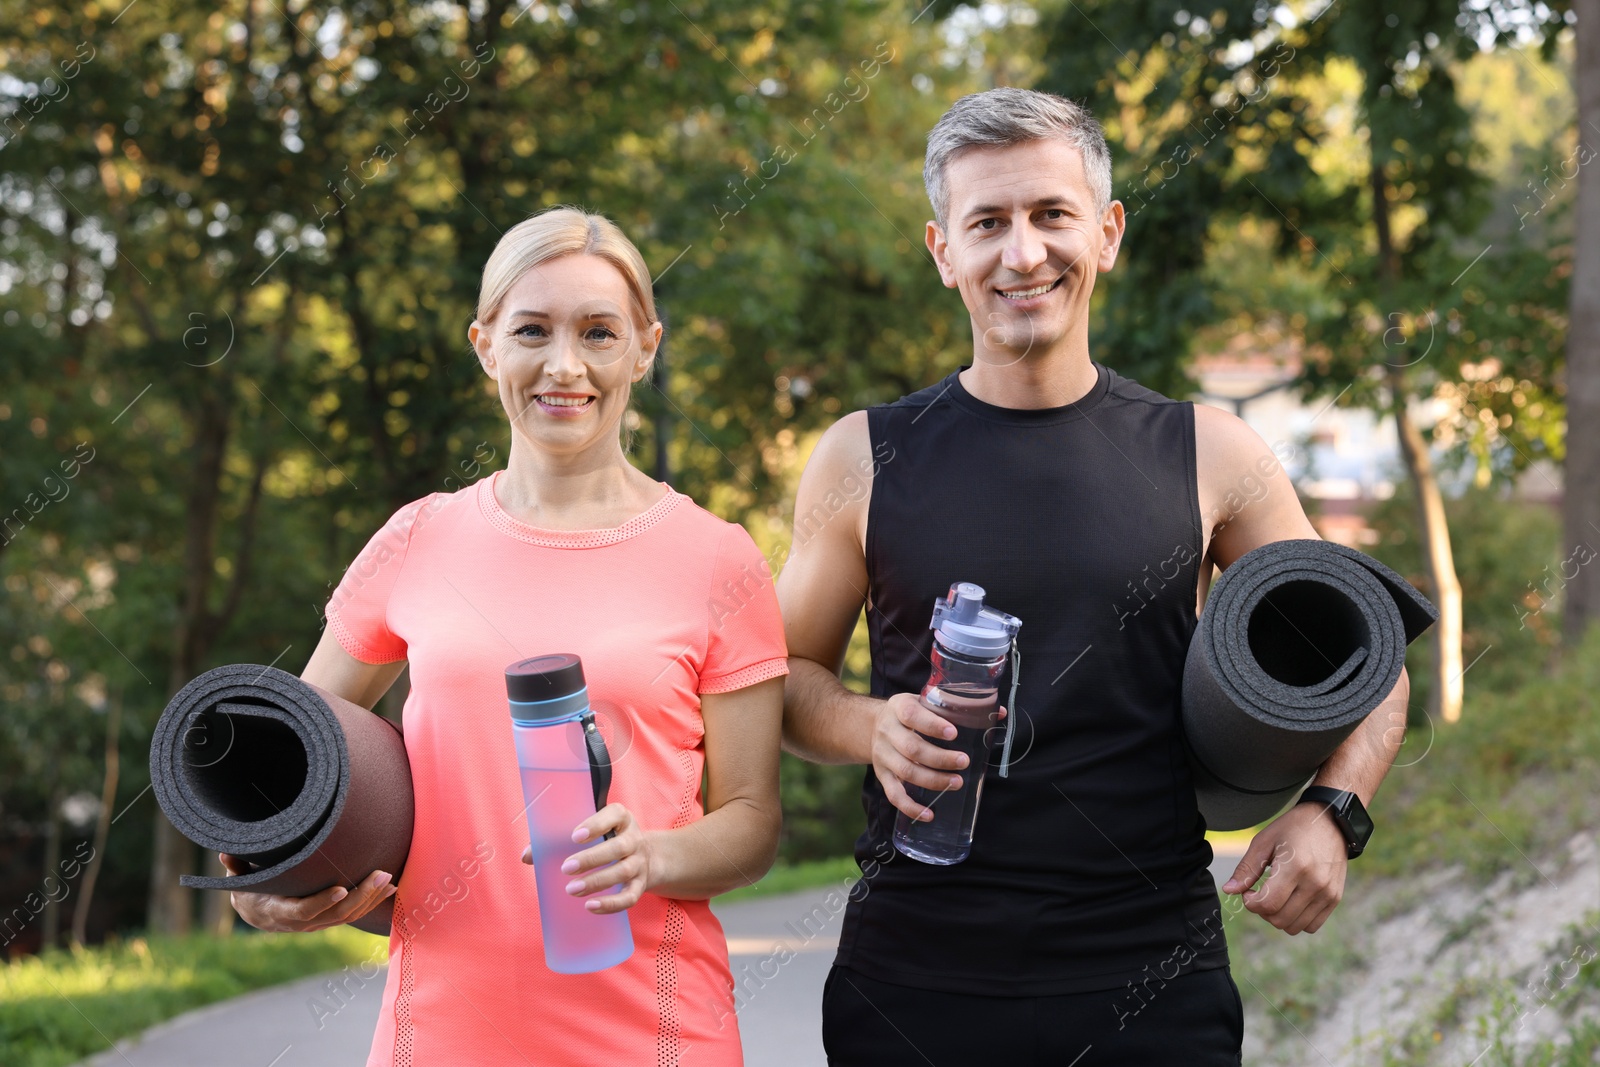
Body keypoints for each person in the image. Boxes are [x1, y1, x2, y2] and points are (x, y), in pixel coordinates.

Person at [776, 87, 1410, 1065]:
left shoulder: (1210, 452)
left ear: (1106, 232)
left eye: (1050, 214)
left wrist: (1333, 811)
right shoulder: (861, 456)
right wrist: (871, 724)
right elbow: (781, 683)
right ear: (943, 252)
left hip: (1149, 974)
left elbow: (1369, 662)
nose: (1021, 252)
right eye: (986, 222)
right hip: (913, 977)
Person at [220, 206, 788, 1067]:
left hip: (657, 1034)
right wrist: (256, 882)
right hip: (442, 1031)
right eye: (532, 329)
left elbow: (750, 820)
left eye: (599, 332)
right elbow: (285, 765)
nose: (565, 364)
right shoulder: (418, 539)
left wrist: (654, 854)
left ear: (645, 346)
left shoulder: (718, 558)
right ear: (487, 344)